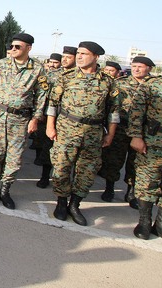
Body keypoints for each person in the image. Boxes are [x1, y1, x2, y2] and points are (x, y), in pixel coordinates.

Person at [46, 41, 119, 226]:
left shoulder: (107, 81)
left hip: (93, 133)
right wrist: (50, 126)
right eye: (78, 53)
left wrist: (110, 134)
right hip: (67, 129)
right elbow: (53, 104)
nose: (79, 56)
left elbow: (114, 111)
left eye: (84, 54)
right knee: (61, 167)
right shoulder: (66, 77)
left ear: (96, 57)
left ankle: (75, 204)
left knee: (87, 171)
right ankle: (61, 202)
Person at [0, 33, 47, 209]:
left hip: (20, 120)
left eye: (18, 47)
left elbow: (41, 97)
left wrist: (35, 119)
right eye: (11, 46)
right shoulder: (1, 64)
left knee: (14, 158)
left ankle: (5, 190)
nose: (13, 49)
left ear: (29, 48)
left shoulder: (37, 69)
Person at [99, 56, 156, 207]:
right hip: (120, 128)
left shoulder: (154, 86)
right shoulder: (120, 83)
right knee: (114, 159)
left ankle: (131, 192)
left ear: (149, 68)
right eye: (134, 66)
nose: (136, 69)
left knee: (136, 162)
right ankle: (109, 188)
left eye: (140, 67)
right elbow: (111, 106)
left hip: (143, 131)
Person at [128, 46, 162, 244]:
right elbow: (136, 112)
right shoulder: (153, 85)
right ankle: (144, 222)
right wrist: (136, 136)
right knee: (147, 183)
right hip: (154, 144)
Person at [34, 46, 76, 188]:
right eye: (63, 57)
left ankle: (67, 180)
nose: (64, 60)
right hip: (52, 117)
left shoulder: (78, 77)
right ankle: (45, 176)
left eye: (68, 57)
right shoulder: (52, 75)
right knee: (48, 147)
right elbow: (43, 95)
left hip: (71, 121)